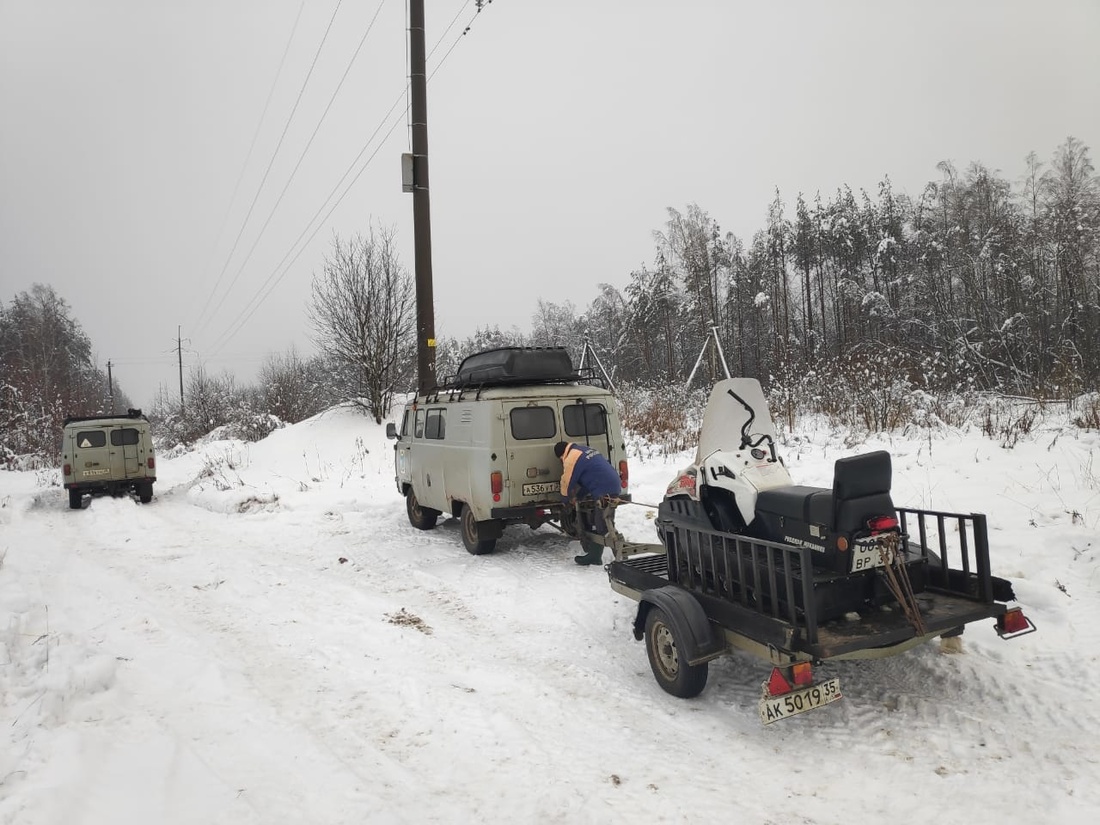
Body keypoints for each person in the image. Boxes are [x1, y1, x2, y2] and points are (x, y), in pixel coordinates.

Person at [555, 440, 622, 566]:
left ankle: (622, 557)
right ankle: (595, 556)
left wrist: (565, 500)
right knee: (601, 522)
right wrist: (580, 496)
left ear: (561, 455)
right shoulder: (583, 450)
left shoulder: (571, 458)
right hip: (612, 483)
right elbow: (589, 479)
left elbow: (566, 482)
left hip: (604, 489)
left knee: (604, 526)